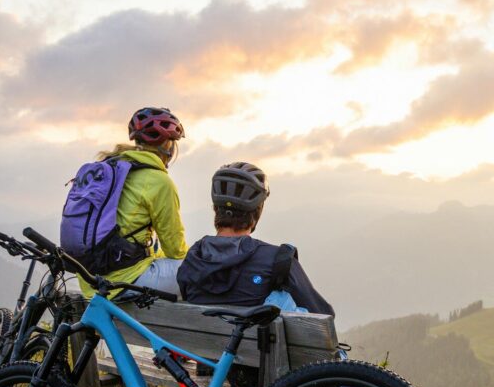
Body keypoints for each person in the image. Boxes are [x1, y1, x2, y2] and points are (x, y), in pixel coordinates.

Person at [177, 161, 334, 316]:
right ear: (257, 212)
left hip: (192, 341)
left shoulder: (194, 258)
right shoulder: (279, 261)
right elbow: (322, 316)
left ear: (215, 208)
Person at [76, 107, 188, 299]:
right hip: (122, 282)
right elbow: (175, 250)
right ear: (167, 146)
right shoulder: (159, 181)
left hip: (90, 280)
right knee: (193, 271)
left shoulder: (112, 167)